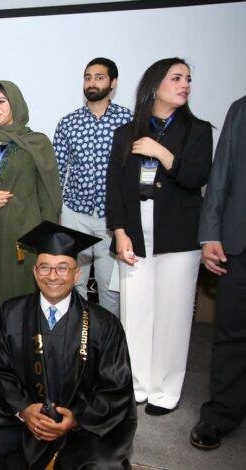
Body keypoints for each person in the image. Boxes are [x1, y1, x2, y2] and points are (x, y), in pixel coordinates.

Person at [0, 221, 136, 470]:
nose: (53, 276)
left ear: (77, 274)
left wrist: (75, 418)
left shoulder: (105, 324)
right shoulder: (11, 314)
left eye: (63, 268)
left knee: (103, 466)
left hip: (83, 425)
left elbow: (116, 386)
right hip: (27, 420)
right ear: (35, 272)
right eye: (45, 267)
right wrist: (25, 410)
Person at [106, 58, 212, 415]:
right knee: (135, 313)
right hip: (134, 231)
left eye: (188, 79)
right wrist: (119, 232)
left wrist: (162, 153)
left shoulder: (198, 131)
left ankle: (165, 390)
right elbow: (115, 187)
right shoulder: (126, 132)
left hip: (178, 236)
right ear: (155, 85)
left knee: (172, 317)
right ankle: (136, 384)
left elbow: (196, 177)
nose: (185, 85)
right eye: (176, 78)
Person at [0, 80, 62, 389]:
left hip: (23, 240)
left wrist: (48, 243)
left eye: (1, 101)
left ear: (15, 103)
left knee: (17, 303)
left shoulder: (37, 143)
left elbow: (49, 197)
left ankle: (19, 377)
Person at [54, 58, 132, 315]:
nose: (91, 83)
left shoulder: (128, 121)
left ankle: (108, 336)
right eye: (87, 77)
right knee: (72, 280)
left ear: (113, 82)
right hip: (75, 214)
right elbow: (57, 170)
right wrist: (56, 212)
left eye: (99, 77)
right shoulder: (68, 123)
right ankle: (76, 333)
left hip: (113, 218)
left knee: (110, 287)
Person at [190, 96, 246, 450]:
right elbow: (221, 171)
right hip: (238, 245)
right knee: (231, 333)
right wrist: (210, 233)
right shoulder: (241, 109)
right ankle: (221, 414)